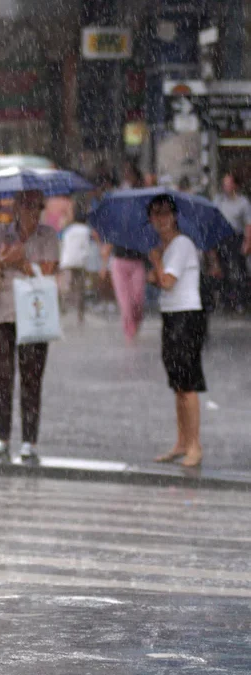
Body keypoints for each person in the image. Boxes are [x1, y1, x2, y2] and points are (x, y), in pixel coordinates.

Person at [0, 190, 59, 466]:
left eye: (35, 206)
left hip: (33, 316)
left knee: (31, 378)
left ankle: (29, 441)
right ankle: (2, 437)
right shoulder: (1, 232)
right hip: (0, 314)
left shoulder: (47, 236)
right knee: (0, 377)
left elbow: (48, 271)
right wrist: (4, 261)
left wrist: (22, 262)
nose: (29, 212)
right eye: (24, 206)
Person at [146, 194, 206, 468]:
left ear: (175, 215)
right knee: (178, 384)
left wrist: (156, 262)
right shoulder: (167, 247)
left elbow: (168, 281)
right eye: (155, 213)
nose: (160, 218)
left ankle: (194, 445)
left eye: (165, 212)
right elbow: (163, 281)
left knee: (188, 383)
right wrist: (155, 271)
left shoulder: (181, 245)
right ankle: (182, 441)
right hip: (172, 316)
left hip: (186, 317)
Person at [212, 174, 251, 313]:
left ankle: (242, 301)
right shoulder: (219, 200)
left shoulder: (243, 202)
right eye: (224, 184)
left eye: (228, 184)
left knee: (239, 270)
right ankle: (226, 300)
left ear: (235, 185)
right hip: (222, 238)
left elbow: (248, 223)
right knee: (223, 270)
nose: (225, 187)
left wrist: (247, 241)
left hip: (236, 238)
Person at [59, 196, 94, 324]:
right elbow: (88, 245)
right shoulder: (86, 230)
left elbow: (61, 242)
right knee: (80, 289)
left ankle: (62, 308)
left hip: (67, 261)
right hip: (80, 262)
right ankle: (80, 314)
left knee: (66, 286)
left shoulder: (68, 230)